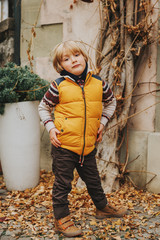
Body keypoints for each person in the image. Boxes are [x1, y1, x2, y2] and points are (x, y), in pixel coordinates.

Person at [38, 40, 127, 237]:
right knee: (63, 184)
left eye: (76, 55)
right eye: (66, 59)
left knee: (94, 180)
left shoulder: (98, 83)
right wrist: (51, 128)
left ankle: (102, 208)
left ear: (85, 57)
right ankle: (60, 218)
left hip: (87, 146)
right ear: (61, 66)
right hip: (64, 145)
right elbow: (44, 107)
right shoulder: (58, 86)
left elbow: (111, 103)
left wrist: (102, 123)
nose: (73, 60)